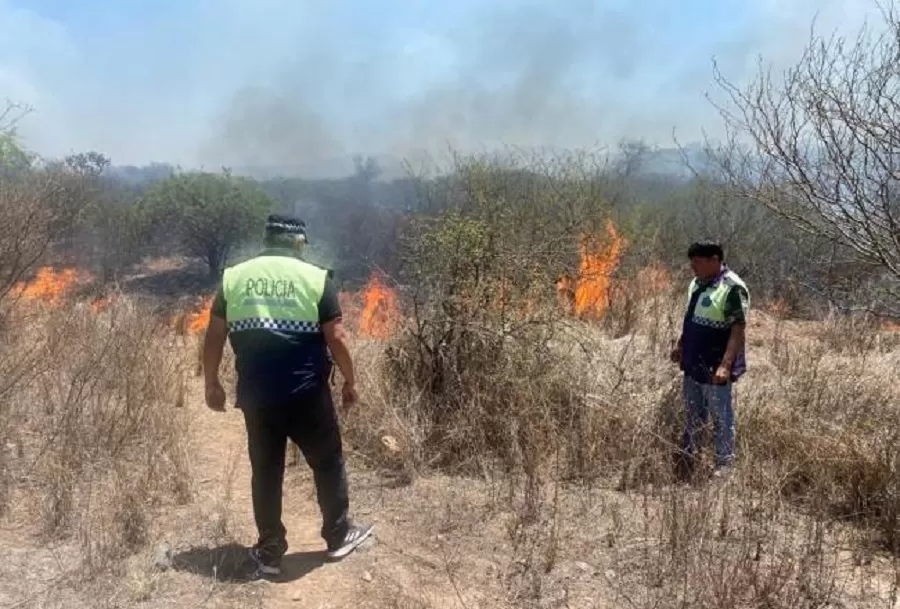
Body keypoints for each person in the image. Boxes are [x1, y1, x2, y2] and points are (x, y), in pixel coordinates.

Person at [202, 213, 373, 577]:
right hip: (306, 392)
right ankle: (339, 534)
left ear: (267, 240)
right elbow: (337, 337)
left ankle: (269, 551)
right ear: (298, 243)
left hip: (257, 393)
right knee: (327, 462)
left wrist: (211, 382)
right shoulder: (315, 278)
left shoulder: (234, 277)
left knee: (265, 471)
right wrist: (350, 381)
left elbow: (214, 334)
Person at [670, 241, 750, 478]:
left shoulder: (733, 288)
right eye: (692, 262)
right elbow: (692, 318)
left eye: (698, 262)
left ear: (714, 260)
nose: (693, 267)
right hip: (693, 362)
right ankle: (689, 456)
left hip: (715, 367)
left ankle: (724, 466)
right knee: (693, 413)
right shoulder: (697, 283)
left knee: (721, 417)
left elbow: (738, 330)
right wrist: (681, 347)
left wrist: (725, 365)